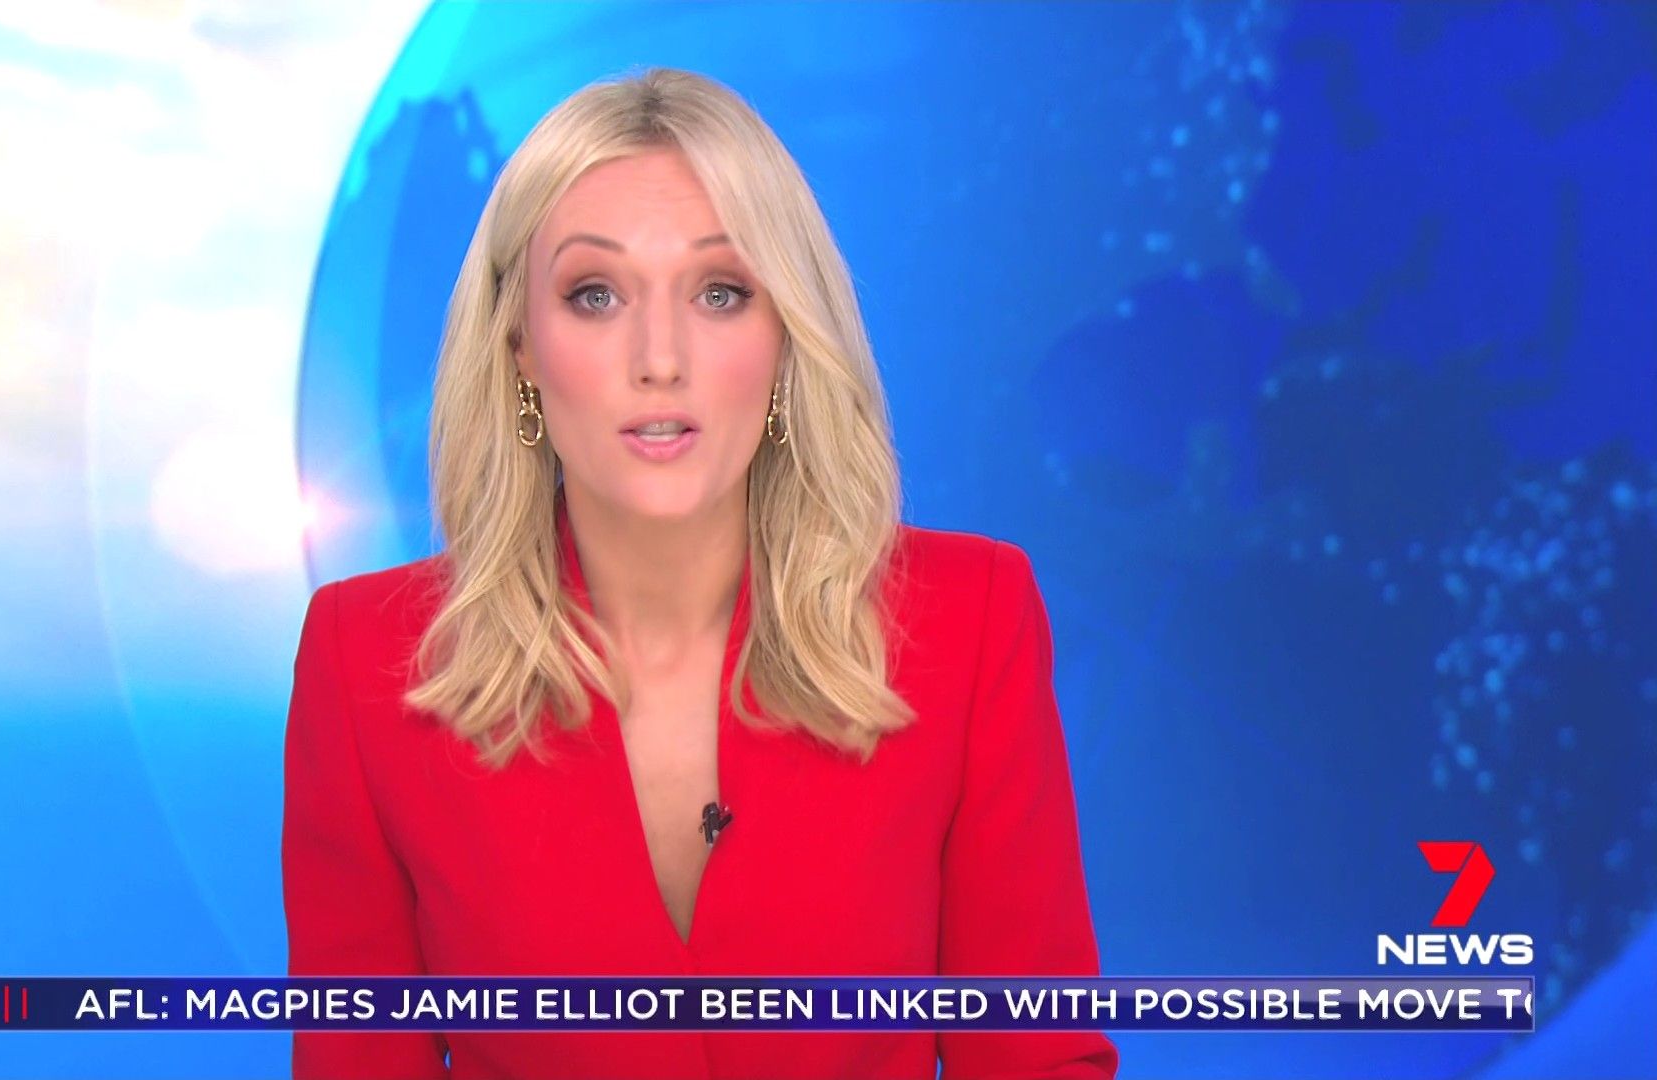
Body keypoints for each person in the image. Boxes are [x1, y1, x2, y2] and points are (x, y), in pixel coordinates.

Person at [282, 66, 1118, 1080]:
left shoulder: (967, 621)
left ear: (787, 337)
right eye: (595, 295)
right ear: (519, 348)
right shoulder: (367, 664)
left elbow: (1035, 1056)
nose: (660, 358)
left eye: (721, 293)